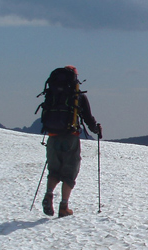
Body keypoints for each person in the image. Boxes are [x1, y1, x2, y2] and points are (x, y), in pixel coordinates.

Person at [42, 65, 103, 217]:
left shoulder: (52, 94)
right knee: (69, 172)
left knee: (54, 170)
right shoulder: (77, 96)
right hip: (70, 137)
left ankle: (49, 193)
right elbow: (88, 118)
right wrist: (96, 129)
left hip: (52, 136)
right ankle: (64, 206)